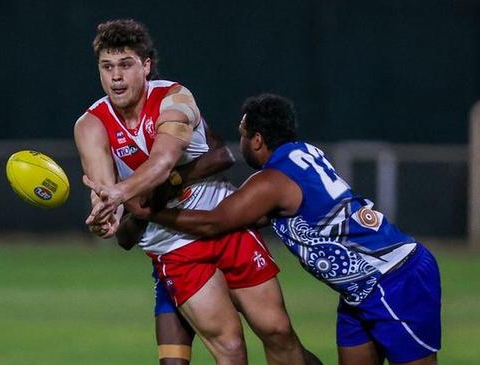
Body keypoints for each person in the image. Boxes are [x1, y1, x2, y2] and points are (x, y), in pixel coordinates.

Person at [126, 93, 441, 365]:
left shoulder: (272, 180)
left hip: (396, 278)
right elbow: (259, 216)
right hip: (358, 291)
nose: (243, 143)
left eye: (244, 135)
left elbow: (215, 221)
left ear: (258, 139)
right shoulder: (303, 153)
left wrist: (152, 212)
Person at [78, 19, 319, 365]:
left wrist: (120, 193)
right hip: (172, 243)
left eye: (125, 65)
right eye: (107, 67)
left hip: (222, 220)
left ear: (145, 66)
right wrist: (105, 217)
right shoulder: (90, 125)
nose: (116, 76)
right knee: (231, 347)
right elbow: (105, 192)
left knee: (277, 331)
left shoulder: (174, 98)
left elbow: (163, 161)